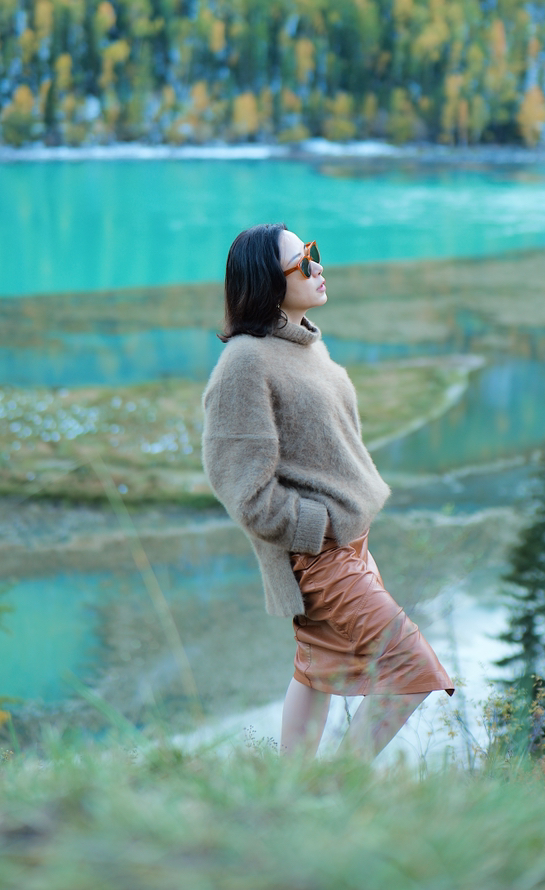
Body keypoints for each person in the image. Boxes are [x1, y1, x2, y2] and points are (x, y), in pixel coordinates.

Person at [201, 222, 454, 760]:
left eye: (312, 253)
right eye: (301, 263)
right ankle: (338, 787)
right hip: (321, 554)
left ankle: (292, 788)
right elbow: (242, 489)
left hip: (351, 547)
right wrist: (317, 530)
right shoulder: (245, 363)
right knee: (411, 669)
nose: (317, 267)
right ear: (267, 282)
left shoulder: (307, 344)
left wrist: (349, 529)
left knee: (316, 669)